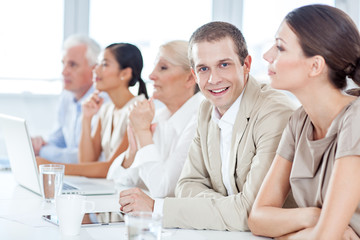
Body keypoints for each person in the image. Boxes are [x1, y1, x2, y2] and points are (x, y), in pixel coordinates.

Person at [118, 21, 296, 231]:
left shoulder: (274, 111)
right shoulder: (205, 110)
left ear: (246, 65)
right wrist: (229, 206)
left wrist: (158, 208)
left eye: (224, 65)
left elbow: (252, 211)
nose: (213, 79)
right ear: (194, 75)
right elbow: (185, 185)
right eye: (203, 69)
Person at [248, 4, 360, 239]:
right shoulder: (299, 120)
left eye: (280, 47)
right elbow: (258, 219)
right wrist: (313, 217)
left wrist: (286, 235)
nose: (267, 55)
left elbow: (325, 237)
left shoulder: (356, 118)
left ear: (315, 66)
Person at [106, 40, 203, 198]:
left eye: (163, 68)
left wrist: (143, 133)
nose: (151, 75)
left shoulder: (201, 120)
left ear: (190, 78)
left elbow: (162, 190)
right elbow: (115, 179)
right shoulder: (158, 116)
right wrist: (132, 151)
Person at [37, 43, 148, 178]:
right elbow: (87, 161)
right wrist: (86, 118)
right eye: (97, 64)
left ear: (125, 73)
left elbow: (112, 168)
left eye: (104, 65)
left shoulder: (139, 110)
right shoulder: (107, 108)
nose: (95, 70)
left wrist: (53, 167)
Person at [31, 35, 102, 164]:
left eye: (73, 65)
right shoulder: (67, 96)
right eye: (63, 64)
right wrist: (40, 143)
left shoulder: (101, 102)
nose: (64, 72)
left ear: (94, 69)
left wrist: (42, 151)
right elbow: (57, 140)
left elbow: (81, 158)